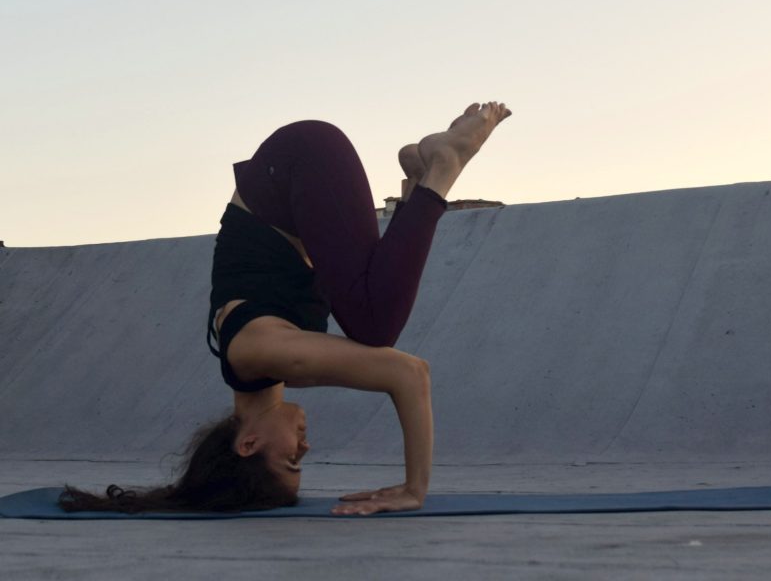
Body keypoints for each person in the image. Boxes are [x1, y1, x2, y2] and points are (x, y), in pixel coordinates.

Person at [59, 101, 512, 515]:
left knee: (376, 327)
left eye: (292, 459)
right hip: (300, 169)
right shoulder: (265, 365)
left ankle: (444, 167)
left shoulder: (264, 353)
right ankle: (418, 177)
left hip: (300, 162)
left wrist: (415, 488)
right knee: (367, 311)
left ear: (248, 443)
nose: (306, 447)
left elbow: (410, 374)